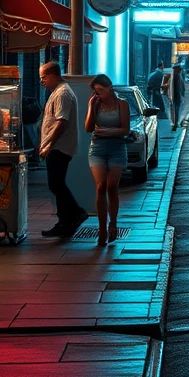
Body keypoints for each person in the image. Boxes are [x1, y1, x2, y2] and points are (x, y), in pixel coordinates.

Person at [38, 61, 87, 237]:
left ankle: (76, 213)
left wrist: (49, 143)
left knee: (56, 184)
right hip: (57, 146)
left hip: (60, 147)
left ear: (52, 76)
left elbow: (62, 122)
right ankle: (65, 222)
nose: (42, 81)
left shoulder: (62, 94)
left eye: (43, 77)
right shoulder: (56, 92)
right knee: (57, 184)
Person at [84, 74, 131, 247]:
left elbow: (125, 129)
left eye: (100, 91)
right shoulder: (95, 104)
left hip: (117, 148)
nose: (98, 95)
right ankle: (102, 228)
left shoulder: (122, 105)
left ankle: (114, 223)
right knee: (101, 186)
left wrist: (107, 132)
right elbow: (88, 128)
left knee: (112, 186)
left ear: (109, 88)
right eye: (95, 92)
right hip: (97, 148)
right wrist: (91, 106)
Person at [164, 63, 184, 129]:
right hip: (175, 96)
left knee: (175, 110)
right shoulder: (175, 76)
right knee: (175, 110)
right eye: (179, 69)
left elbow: (181, 86)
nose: (180, 70)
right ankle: (175, 123)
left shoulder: (178, 76)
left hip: (176, 96)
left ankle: (175, 123)